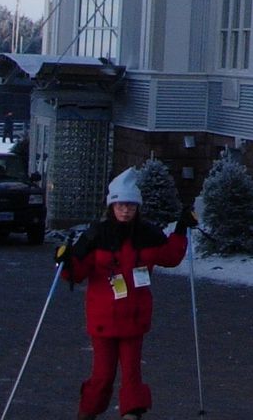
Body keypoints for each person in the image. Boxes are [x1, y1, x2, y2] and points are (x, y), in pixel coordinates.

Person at [60, 168, 189, 420]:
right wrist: (66, 262)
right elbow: (76, 272)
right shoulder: (96, 235)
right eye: (120, 205)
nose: (125, 210)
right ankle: (87, 412)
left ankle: (132, 414)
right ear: (112, 206)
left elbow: (171, 257)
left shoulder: (148, 234)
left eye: (130, 205)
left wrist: (181, 229)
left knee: (132, 375)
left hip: (134, 318)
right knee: (102, 375)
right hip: (103, 319)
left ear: (137, 207)